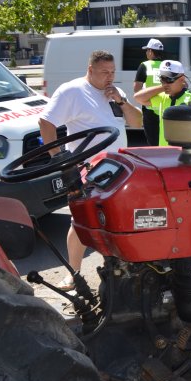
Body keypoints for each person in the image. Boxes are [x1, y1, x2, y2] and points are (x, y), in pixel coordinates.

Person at [39, 50, 142, 288]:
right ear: (90, 70)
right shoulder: (72, 91)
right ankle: (73, 273)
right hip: (88, 168)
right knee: (81, 220)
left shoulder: (115, 93)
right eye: (104, 72)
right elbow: (46, 122)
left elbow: (137, 122)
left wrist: (121, 101)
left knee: (119, 220)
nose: (109, 77)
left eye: (113, 72)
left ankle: (121, 269)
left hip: (119, 168)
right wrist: (59, 159)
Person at [134, 59, 191, 146]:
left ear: (182, 79)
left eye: (169, 79)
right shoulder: (162, 97)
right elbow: (138, 98)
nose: (165, 83)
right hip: (164, 154)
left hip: (186, 154)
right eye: (162, 78)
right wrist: (163, 87)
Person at [134, 38, 166, 145]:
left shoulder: (144, 65)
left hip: (150, 111)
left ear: (151, 52)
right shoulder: (167, 66)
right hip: (166, 110)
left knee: (154, 144)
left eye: (147, 50)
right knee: (167, 142)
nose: (146, 52)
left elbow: (137, 91)